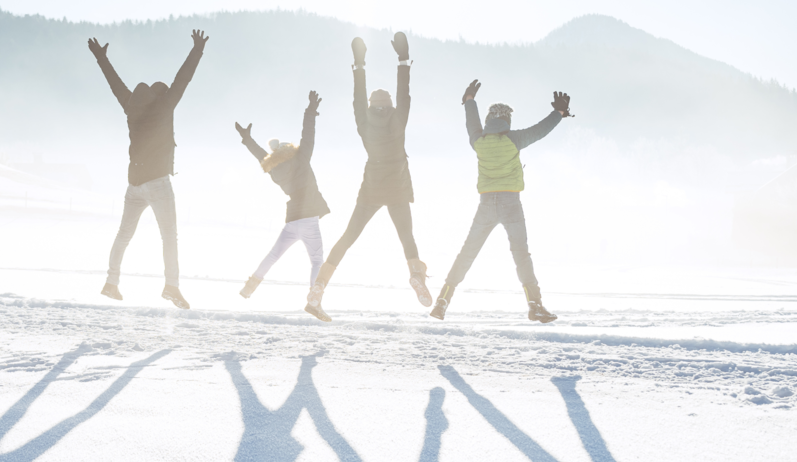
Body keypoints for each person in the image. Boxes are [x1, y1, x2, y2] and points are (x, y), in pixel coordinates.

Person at [430, 81, 573, 324]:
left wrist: (469, 100)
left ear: (488, 121)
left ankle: (442, 301)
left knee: (467, 253)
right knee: (521, 255)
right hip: (511, 203)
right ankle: (534, 305)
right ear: (507, 121)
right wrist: (559, 112)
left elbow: (471, 123)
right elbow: (541, 130)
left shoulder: (478, 141)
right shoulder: (514, 139)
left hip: (485, 205)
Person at [89, 29, 208, 308]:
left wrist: (101, 58)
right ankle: (171, 287)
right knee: (169, 237)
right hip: (157, 183)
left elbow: (114, 83)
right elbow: (183, 79)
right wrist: (198, 49)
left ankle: (111, 282)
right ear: (161, 95)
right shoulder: (164, 106)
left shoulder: (130, 107)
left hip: (134, 184)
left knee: (123, 235)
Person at [314, 32, 430, 313]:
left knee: (348, 236)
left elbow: (357, 97)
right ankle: (416, 275)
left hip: (371, 187)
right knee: (407, 237)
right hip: (398, 186)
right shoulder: (399, 118)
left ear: (369, 106)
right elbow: (405, 94)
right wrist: (403, 60)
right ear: (390, 106)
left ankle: (320, 285)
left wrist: (359, 63)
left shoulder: (363, 122)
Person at [234, 91, 333, 321]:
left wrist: (247, 139)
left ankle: (250, 287)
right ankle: (314, 302)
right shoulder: (301, 158)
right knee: (317, 261)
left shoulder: (275, 169)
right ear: (289, 149)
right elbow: (308, 135)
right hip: (308, 218)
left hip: (292, 220)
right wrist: (310, 110)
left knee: (273, 255)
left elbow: (261, 156)